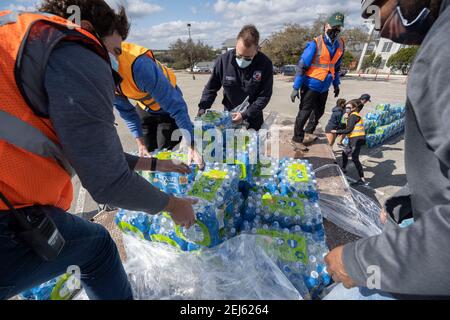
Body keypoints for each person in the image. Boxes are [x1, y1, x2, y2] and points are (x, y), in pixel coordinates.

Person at [0, 1, 196, 300]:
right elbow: (108, 182)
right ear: (90, 28)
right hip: (8, 213)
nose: (114, 61)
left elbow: (92, 154)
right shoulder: (73, 45)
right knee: (99, 248)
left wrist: (156, 165)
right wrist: (173, 205)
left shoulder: (20, 35)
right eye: (114, 50)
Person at [325, 0, 450, 299]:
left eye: (375, 10)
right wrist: (413, 193)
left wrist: (357, 261)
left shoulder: (443, 53)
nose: (379, 30)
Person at [113, 42, 202, 163]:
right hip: (145, 107)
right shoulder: (103, 80)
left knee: (165, 153)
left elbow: (176, 107)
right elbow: (127, 113)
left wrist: (192, 145)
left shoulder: (138, 65)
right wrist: (141, 144)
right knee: (147, 152)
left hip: (167, 110)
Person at [198, 25, 274, 131]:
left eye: (247, 57)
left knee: (252, 146)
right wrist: (203, 107)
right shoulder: (223, 61)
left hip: (253, 116)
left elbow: (264, 96)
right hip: (229, 116)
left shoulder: (265, 64)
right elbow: (211, 87)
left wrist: (245, 114)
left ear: (257, 49)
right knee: (229, 145)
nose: (242, 60)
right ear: (236, 45)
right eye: (239, 55)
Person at [291, 12, 346, 152]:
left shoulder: (340, 44)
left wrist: (336, 84)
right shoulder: (316, 43)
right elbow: (302, 66)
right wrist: (296, 86)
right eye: (333, 26)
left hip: (324, 86)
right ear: (325, 26)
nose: (335, 30)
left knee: (319, 112)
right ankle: (297, 139)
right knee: (304, 112)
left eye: (339, 27)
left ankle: (309, 132)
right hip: (310, 85)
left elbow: (336, 67)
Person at [332, 99, 367, 185]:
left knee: (355, 158)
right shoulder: (351, 115)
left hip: (357, 139)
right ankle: (343, 168)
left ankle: (362, 179)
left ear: (354, 108)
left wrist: (336, 131)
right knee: (345, 152)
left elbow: (348, 129)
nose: (346, 108)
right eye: (346, 107)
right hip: (354, 139)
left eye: (349, 107)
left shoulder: (353, 116)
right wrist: (344, 119)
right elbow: (346, 126)